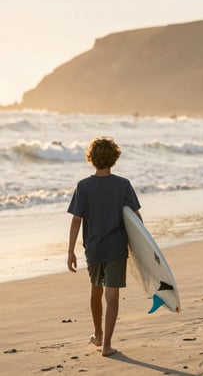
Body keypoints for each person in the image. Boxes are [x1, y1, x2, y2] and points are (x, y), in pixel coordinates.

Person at [67, 136, 141, 356]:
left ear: (91, 159)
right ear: (114, 158)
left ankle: (97, 335)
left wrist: (70, 251)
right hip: (117, 247)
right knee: (112, 295)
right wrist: (142, 249)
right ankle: (107, 344)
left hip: (94, 248)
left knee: (96, 290)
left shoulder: (84, 186)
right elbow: (136, 218)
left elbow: (76, 219)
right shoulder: (123, 185)